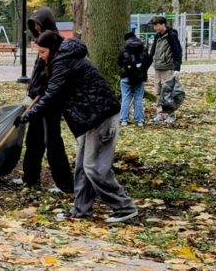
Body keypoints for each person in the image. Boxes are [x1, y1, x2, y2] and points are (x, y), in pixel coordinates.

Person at [19, 31, 137, 223]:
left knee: (94, 167)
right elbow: (47, 87)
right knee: (82, 167)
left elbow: (52, 95)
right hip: (90, 118)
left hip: (101, 116)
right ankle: (81, 210)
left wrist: (29, 115)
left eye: (42, 52)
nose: (40, 56)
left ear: (52, 49)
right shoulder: (63, 60)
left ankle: (124, 207)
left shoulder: (64, 61)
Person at [16, 7, 73, 193]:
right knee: (33, 140)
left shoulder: (54, 43)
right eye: (34, 25)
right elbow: (38, 73)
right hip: (38, 99)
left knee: (52, 142)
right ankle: (30, 178)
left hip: (50, 101)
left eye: (39, 25)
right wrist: (31, 92)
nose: (37, 29)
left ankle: (65, 184)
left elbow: (53, 75)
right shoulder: (42, 42)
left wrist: (41, 91)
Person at [149, 15, 182, 124]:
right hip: (157, 68)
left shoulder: (171, 35)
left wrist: (177, 68)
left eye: (157, 25)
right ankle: (160, 114)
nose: (155, 28)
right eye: (154, 26)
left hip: (168, 68)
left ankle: (170, 115)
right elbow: (152, 52)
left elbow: (178, 51)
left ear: (163, 24)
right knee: (158, 92)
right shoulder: (157, 36)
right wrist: (145, 66)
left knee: (167, 92)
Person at [118, 30, 151, 127]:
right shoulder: (142, 47)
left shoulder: (124, 48)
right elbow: (148, 60)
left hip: (126, 76)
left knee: (125, 97)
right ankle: (140, 120)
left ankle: (123, 119)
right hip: (139, 77)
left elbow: (120, 62)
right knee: (138, 98)